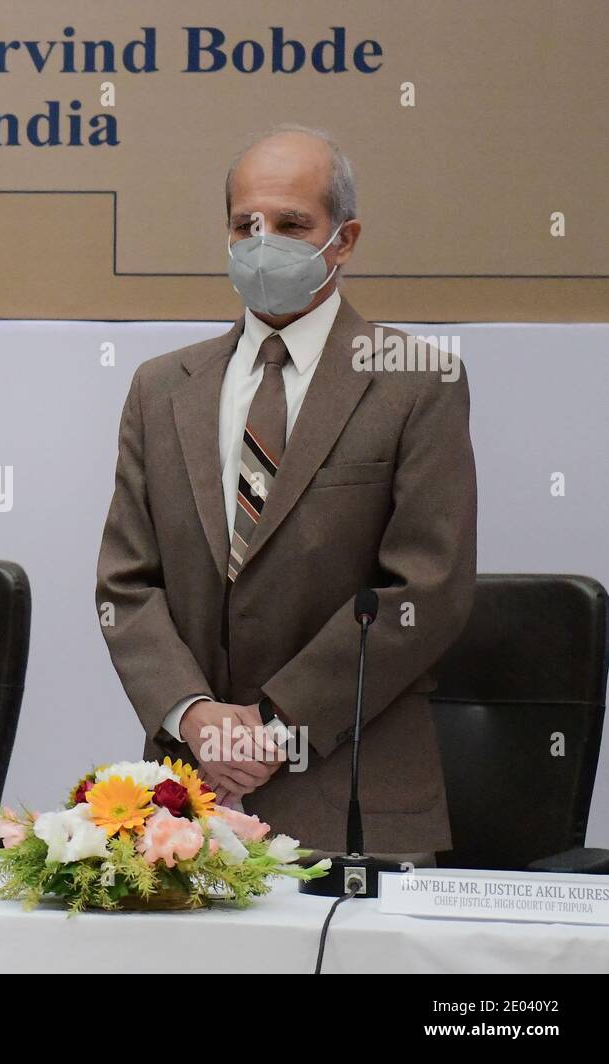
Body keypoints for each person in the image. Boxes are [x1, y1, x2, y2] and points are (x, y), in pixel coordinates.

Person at [96, 124, 477, 861]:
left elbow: (424, 592)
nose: (264, 241)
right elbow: (127, 583)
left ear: (346, 238)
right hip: (186, 803)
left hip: (357, 803)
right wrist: (199, 716)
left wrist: (276, 728)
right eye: (247, 224)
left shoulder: (418, 383)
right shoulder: (160, 388)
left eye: (293, 224)